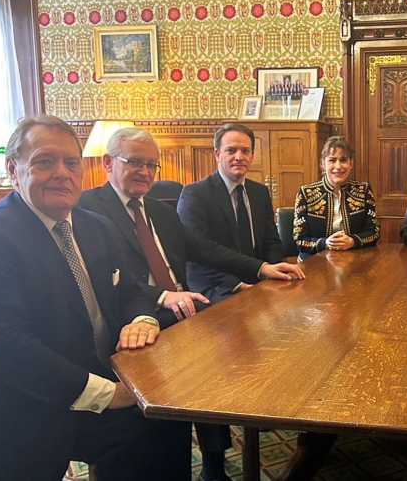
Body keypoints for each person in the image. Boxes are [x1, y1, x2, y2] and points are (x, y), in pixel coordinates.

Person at [0, 116, 190, 481]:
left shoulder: (95, 226)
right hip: (22, 398)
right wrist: (108, 394)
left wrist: (142, 320)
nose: (62, 173)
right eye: (44, 161)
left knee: (169, 421)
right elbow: (3, 348)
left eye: (71, 163)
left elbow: (132, 290)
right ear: (12, 169)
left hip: (100, 375)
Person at [80, 127, 304, 481]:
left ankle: (213, 464)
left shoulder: (161, 209)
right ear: (107, 163)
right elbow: (103, 274)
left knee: (223, 358)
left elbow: (206, 250)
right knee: (200, 367)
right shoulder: (86, 209)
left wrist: (262, 268)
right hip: (135, 318)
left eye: (151, 165)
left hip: (185, 308)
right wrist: (163, 296)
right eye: (134, 162)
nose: (145, 172)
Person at [177, 123, 285, 303]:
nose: (239, 157)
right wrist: (237, 285)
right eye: (231, 150)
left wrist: (273, 271)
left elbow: (271, 241)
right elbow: (197, 253)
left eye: (245, 151)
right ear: (217, 155)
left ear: (252, 156)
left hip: (258, 277)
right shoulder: (195, 194)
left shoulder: (259, 192)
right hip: (215, 284)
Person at [293, 136, 379, 260]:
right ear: (323, 164)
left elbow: (374, 233)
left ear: (351, 164)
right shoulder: (306, 193)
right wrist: (325, 243)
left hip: (354, 261)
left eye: (343, 160)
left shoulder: (363, 191)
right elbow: (299, 239)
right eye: (332, 160)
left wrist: (353, 241)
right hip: (314, 263)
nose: (338, 166)